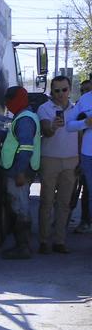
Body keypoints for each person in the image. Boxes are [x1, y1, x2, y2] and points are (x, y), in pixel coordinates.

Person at [0, 86, 40, 259]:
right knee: (18, 206)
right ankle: (21, 246)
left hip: (19, 172)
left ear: (17, 100)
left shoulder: (25, 119)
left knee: (20, 207)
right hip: (18, 171)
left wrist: (20, 172)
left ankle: (23, 248)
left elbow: (26, 148)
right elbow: (10, 135)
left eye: (8, 100)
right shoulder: (23, 116)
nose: (6, 104)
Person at [36, 76, 78, 254]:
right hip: (50, 160)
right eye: (57, 90)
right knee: (46, 202)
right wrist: (53, 127)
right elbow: (46, 130)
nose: (61, 94)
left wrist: (80, 159)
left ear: (70, 90)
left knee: (64, 203)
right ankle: (44, 241)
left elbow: (81, 134)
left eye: (64, 90)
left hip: (71, 160)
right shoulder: (44, 108)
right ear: (51, 91)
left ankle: (59, 241)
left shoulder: (77, 109)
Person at [64, 82, 92, 238]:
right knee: (85, 193)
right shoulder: (84, 102)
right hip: (85, 156)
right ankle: (83, 221)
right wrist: (85, 123)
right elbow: (70, 126)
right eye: (82, 90)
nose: (84, 91)